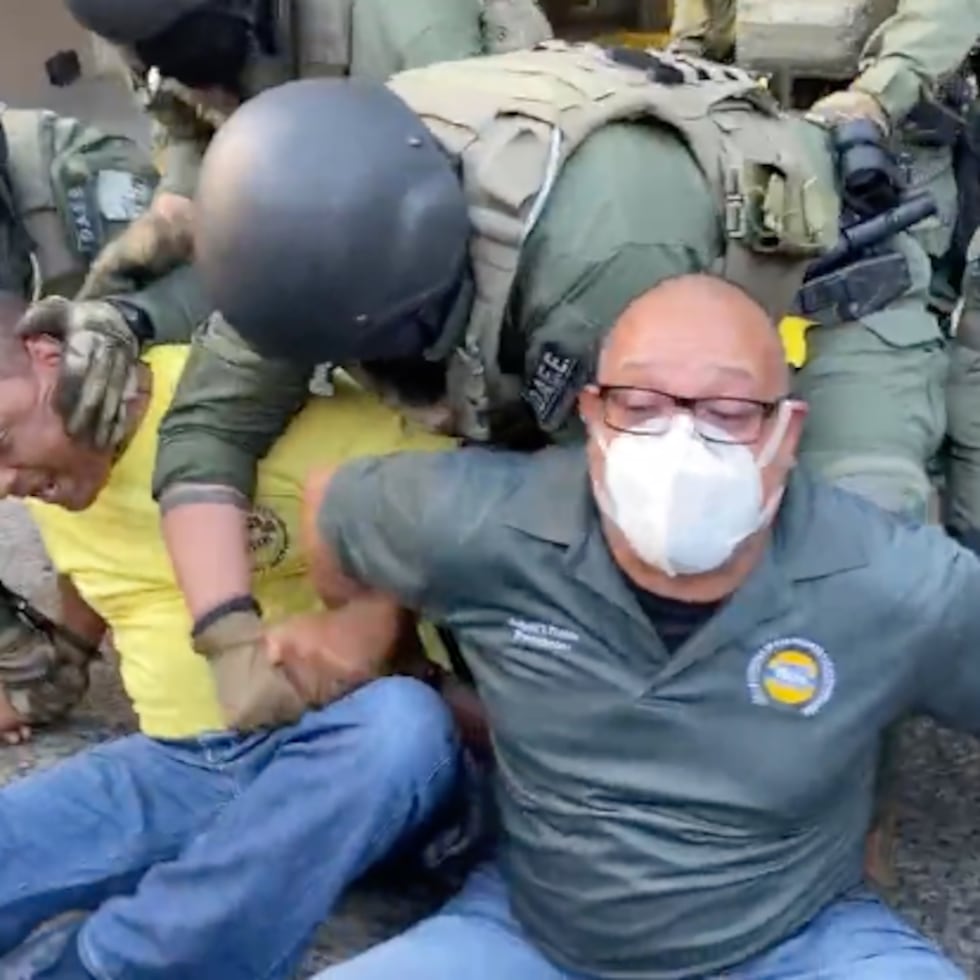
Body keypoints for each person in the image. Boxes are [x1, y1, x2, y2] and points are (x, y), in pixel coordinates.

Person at [142, 45, 946, 656]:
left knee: (840, 592)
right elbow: (208, 428)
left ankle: (835, 851)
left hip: (822, 291)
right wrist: (229, 642)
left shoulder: (592, 255)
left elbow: (629, 529)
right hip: (624, 287)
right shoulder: (297, 226)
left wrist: (374, 619)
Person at [296, 273, 976, 980]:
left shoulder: (884, 578)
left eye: (728, 410)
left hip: (790, 941)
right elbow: (329, 508)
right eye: (641, 405)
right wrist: (381, 639)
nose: (680, 443)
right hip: (532, 936)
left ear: (786, 430)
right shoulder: (497, 523)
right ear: (592, 416)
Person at [0, 292, 462, 979]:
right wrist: (36, 682)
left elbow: (459, 498)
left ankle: (101, 965)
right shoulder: (57, 475)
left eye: (1, 444)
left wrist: (378, 614)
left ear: (48, 360)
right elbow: (99, 581)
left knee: (401, 726)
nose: (5, 484)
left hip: (341, 753)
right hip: (186, 765)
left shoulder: (233, 408)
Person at [38, 0, 554, 444]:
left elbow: (349, 260)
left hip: (501, 221)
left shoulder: (414, 32)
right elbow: (195, 138)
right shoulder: (148, 33)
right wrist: (168, 229)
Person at [0, 104, 195, 739]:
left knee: (68, 421)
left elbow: (227, 282)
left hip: (131, 333)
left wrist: (129, 319)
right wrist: (33, 668)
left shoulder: (71, 175)